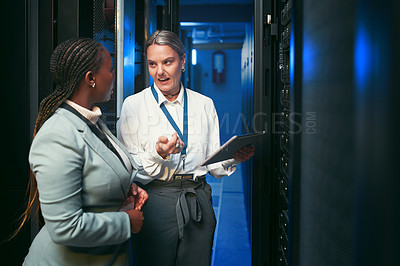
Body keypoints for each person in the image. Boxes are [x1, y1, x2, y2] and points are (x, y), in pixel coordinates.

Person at [118, 30, 255, 266]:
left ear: (182, 61)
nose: (159, 71)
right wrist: (158, 154)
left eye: (167, 62)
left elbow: (213, 165)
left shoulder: (204, 104)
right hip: (154, 200)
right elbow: (127, 168)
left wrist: (233, 158)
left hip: (197, 198)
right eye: (152, 64)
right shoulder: (134, 105)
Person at [19, 38, 148, 265]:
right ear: (91, 79)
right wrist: (127, 222)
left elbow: (100, 170)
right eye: (110, 70)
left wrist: (126, 187)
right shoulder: (57, 135)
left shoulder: (91, 120)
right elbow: (65, 228)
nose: (114, 76)